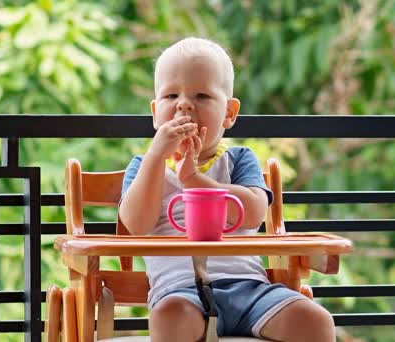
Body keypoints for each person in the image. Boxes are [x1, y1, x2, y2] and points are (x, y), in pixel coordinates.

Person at [118, 37, 335, 342]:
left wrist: (195, 179)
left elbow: (254, 214)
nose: (184, 104)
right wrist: (156, 156)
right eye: (170, 95)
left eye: (202, 95)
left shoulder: (238, 160)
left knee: (315, 321)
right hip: (179, 294)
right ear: (155, 113)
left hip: (250, 289)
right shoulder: (144, 167)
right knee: (168, 321)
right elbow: (136, 226)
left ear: (229, 113)